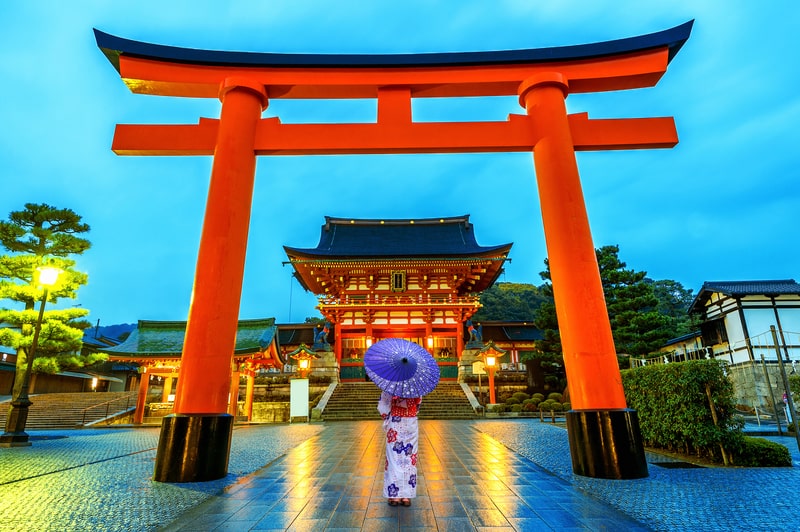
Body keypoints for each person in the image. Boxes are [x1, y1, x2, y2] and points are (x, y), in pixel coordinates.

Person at [377, 391, 421, 507]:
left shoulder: (392, 384)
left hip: (396, 421)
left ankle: (395, 495)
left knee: (394, 459)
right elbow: (418, 403)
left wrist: (387, 418)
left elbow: (383, 406)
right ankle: (406, 496)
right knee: (410, 459)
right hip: (411, 422)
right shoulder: (415, 384)